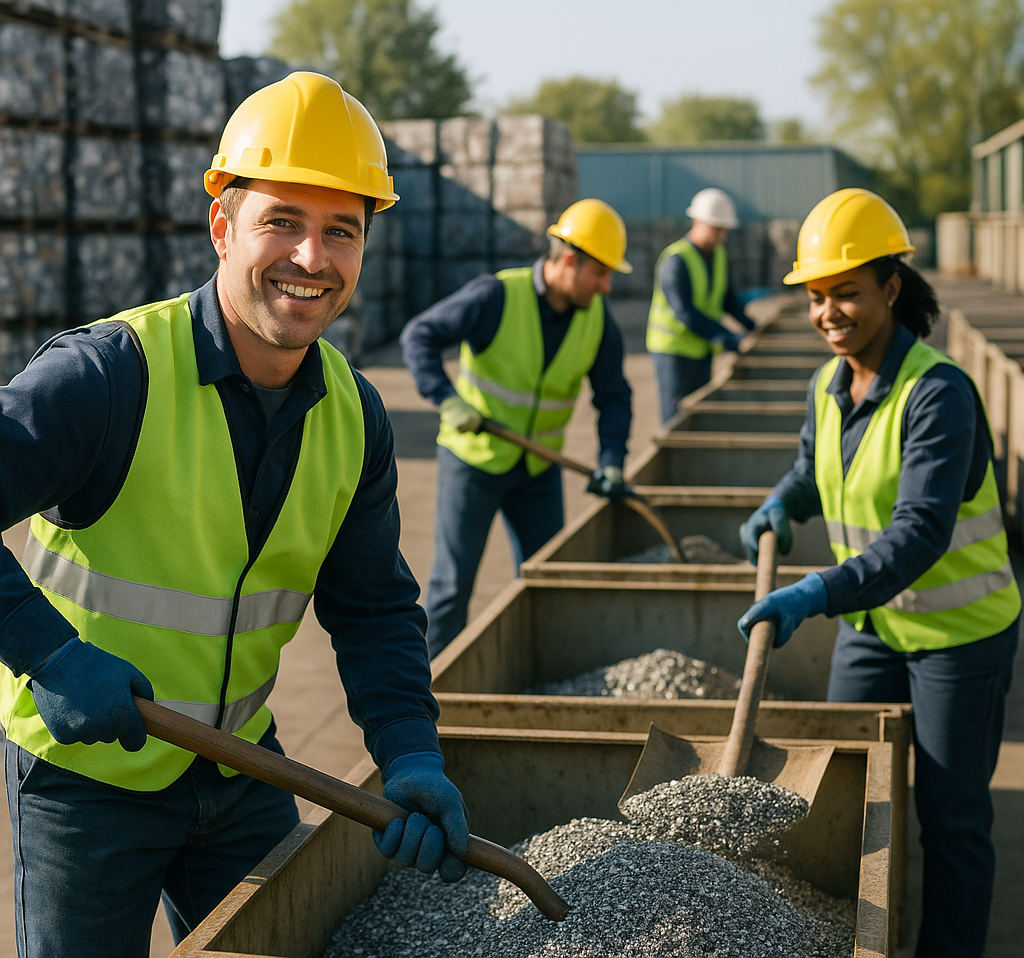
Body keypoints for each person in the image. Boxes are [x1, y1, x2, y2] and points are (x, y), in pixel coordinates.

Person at [0, 72, 470, 958]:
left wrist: (410, 751)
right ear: (222, 227)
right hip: (85, 783)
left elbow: (371, 607)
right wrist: (47, 653)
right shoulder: (109, 375)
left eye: (342, 230)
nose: (311, 257)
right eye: (282, 221)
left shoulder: (353, 414)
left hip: (241, 767)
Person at [736, 187, 1020, 958]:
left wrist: (819, 588)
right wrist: (783, 501)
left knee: (952, 818)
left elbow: (922, 531)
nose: (830, 312)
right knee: (851, 793)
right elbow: (813, 464)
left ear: (891, 289)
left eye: (848, 294)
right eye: (818, 296)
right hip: (874, 626)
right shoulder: (829, 386)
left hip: (958, 635)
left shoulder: (940, 394)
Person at [401, 199, 633, 658]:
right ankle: (426, 702)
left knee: (550, 580)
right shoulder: (496, 296)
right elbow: (419, 336)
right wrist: (448, 400)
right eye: (601, 273)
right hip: (474, 461)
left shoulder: (598, 322)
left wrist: (612, 461)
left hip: (538, 470)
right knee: (451, 588)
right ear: (570, 261)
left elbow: (615, 397)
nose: (606, 286)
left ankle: (542, 677)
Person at [646, 187, 756, 424]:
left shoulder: (718, 256)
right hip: (673, 352)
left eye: (723, 230)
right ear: (697, 222)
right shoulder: (675, 260)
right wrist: (730, 338)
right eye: (716, 229)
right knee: (676, 419)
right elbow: (685, 313)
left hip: (701, 349)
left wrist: (750, 325)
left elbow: (727, 299)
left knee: (699, 414)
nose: (721, 236)